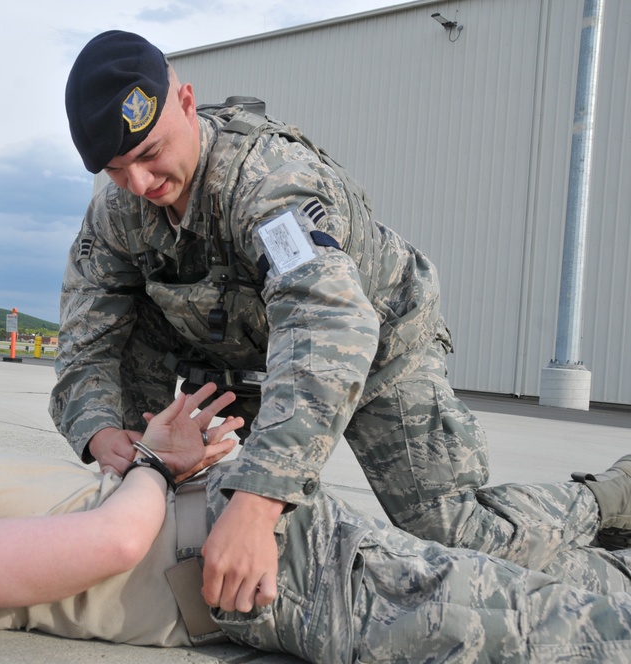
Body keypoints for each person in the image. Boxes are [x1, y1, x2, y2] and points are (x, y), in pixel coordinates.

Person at [49, 29, 631, 610]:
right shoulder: (117, 212)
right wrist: (102, 432)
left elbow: (326, 326)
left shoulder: (270, 185)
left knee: (454, 536)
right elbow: (86, 338)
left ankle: (611, 498)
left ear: (185, 102)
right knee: (244, 526)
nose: (140, 185)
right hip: (246, 358)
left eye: (149, 154)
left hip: (376, 346)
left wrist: (260, 495)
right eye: (117, 169)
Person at [0, 387, 631, 663]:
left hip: (269, 573)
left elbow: (115, 542)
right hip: (266, 544)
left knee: (572, 635)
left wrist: (156, 463)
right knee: (567, 595)